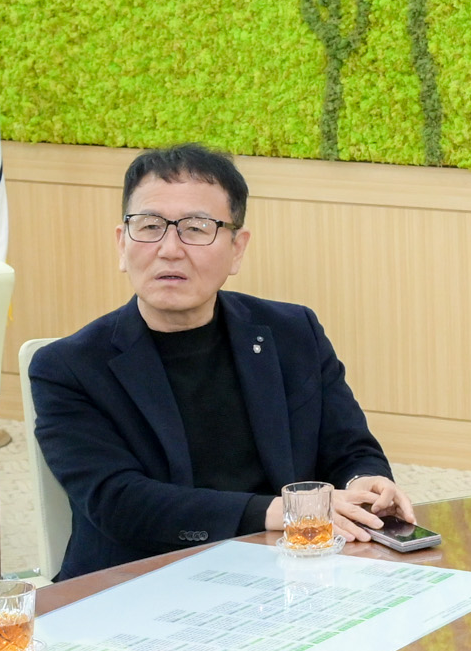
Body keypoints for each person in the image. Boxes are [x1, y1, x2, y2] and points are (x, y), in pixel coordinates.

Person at [33, 144, 408, 580]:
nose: (169, 249)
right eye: (150, 226)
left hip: (289, 572)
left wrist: (365, 481)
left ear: (237, 249)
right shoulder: (68, 367)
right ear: (122, 243)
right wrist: (278, 511)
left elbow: (349, 448)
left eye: (196, 229)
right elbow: (119, 502)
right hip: (140, 581)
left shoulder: (292, 331)